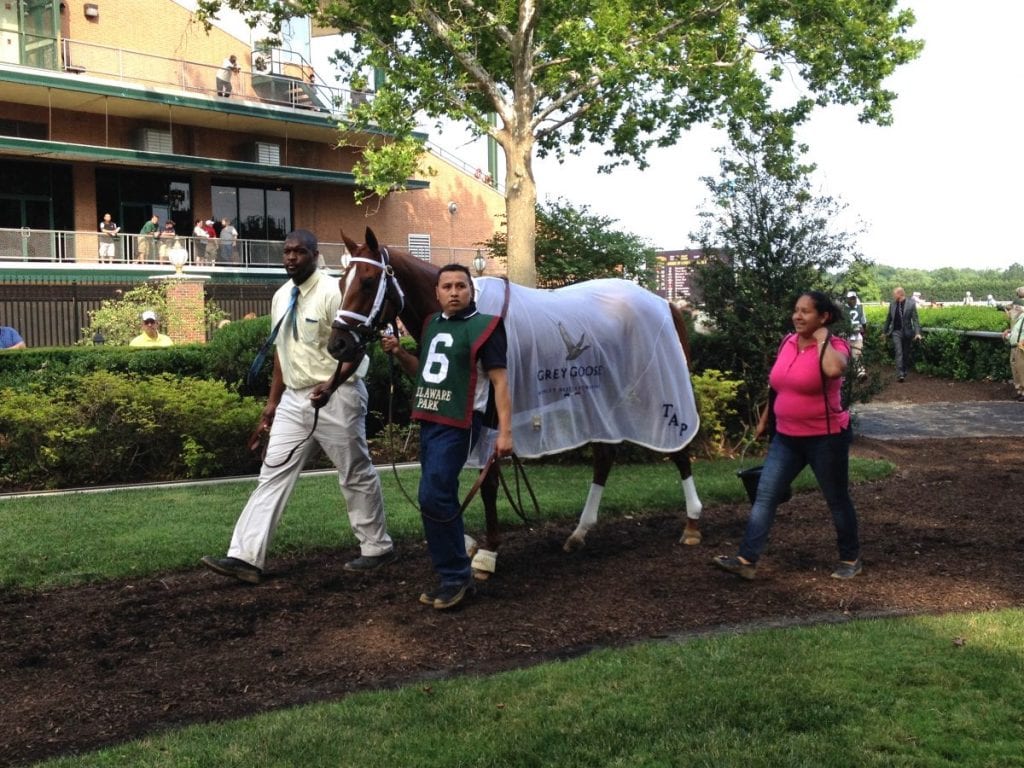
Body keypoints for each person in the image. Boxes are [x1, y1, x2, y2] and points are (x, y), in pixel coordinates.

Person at [201, 229, 394, 584]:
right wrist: (271, 404)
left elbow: (357, 346)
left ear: (315, 255)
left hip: (339, 395)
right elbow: (282, 351)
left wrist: (331, 384)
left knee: (354, 471)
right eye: (287, 252)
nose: (291, 257)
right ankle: (245, 558)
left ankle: (376, 547)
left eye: (299, 252)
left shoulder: (334, 292)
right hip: (294, 399)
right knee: (272, 473)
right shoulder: (280, 297)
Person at [381, 263, 513, 610]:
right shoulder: (431, 324)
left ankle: (456, 576)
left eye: (461, 286)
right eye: (447, 287)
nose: (454, 292)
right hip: (429, 419)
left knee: (434, 495)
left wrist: (505, 432)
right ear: (437, 292)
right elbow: (423, 374)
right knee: (436, 497)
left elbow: (500, 382)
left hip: (460, 422)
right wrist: (399, 352)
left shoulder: (487, 328)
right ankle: (453, 572)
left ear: (471, 291)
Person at [713, 291, 861, 581]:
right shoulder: (787, 342)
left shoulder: (835, 345)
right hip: (787, 437)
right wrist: (767, 418)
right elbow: (780, 386)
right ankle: (746, 560)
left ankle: (850, 557)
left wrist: (822, 339)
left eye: (806, 312)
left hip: (826, 438)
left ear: (823, 317)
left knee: (836, 498)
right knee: (765, 495)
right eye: (796, 310)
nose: (798, 316)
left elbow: (833, 369)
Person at [882, 286, 921, 382]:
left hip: (907, 332)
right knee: (898, 352)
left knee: (905, 353)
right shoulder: (892, 304)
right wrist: (884, 332)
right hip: (896, 332)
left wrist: (917, 333)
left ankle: (904, 370)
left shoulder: (911, 304)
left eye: (894, 294)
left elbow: (915, 319)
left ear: (900, 294)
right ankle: (900, 374)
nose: (893, 296)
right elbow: (888, 319)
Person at [1003, 286, 1024, 402]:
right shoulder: (1018, 318)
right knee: (1016, 369)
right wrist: (1009, 331)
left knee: (1022, 370)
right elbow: (1016, 329)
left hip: (1021, 347)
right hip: (1014, 346)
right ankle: (1020, 391)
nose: (1012, 310)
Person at [844, 290, 867, 378]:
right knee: (845, 355)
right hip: (845, 336)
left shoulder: (859, 308)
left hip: (856, 335)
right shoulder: (844, 309)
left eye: (853, 299)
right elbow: (864, 321)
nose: (852, 301)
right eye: (850, 299)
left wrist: (864, 331)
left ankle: (860, 373)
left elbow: (863, 320)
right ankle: (846, 374)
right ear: (847, 299)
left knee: (857, 353)